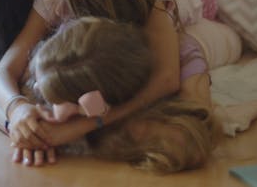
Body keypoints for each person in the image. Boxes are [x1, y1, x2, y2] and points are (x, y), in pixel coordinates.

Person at [0, 0, 241, 162]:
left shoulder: (153, 3)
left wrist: (84, 126)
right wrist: (16, 114)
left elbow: (166, 79)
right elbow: (3, 72)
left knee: (189, 41)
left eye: (67, 1)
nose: (59, 5)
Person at [27, 17, 221, 172]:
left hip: (196, 9)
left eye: (56, 100)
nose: (36, 89)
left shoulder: (183, 61)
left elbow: (195, 138)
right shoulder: (67, 49)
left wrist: (85, 125)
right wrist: (22, 120)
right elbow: (2, 83)